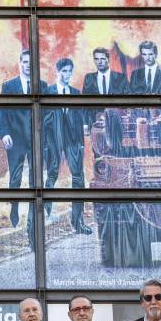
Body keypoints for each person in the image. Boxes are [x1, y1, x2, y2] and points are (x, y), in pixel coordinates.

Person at [0, 50, 46, 243]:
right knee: (15, 177)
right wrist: (5, 134)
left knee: (35, 181)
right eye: (24, 62)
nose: (27, 65)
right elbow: (1, 112)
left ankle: (32, 223)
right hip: (15, 139)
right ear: (19, 63)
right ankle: (14, 207)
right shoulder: (9, 86)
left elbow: (46, 115)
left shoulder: (41, 85)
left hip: (34, 140)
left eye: (30, 62)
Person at [43, 58, 92, 235]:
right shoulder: (47, 92)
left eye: (69, 71)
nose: (67, 74)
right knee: (51, 176)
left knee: (78, 179)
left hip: (73, 142)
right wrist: (45, 145)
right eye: (64, 71)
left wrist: (80, 144)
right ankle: (46, 214)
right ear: (57, 72)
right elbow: (42, 121)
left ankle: (78, 222)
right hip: (53, 142)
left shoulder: (76, 93)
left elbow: (81, 120)